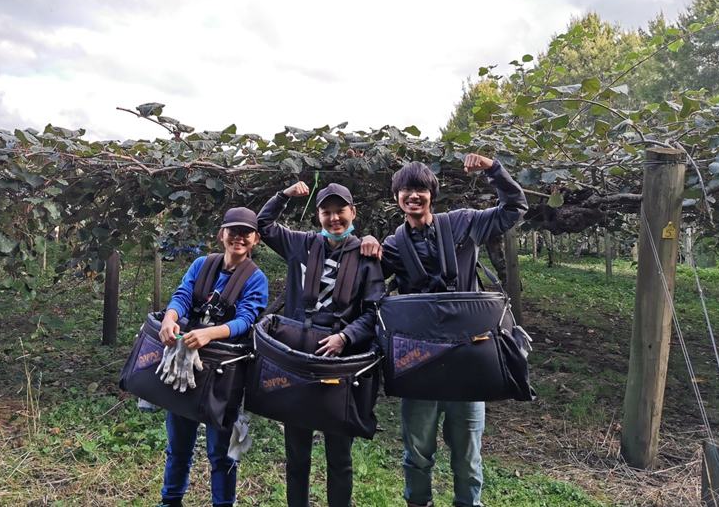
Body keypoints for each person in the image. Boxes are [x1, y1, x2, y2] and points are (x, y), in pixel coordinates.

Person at [365, 153, 527, 507]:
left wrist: (493, 169)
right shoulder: (393, 245)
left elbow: (514, 207)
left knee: (468, 456)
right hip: (418, 363)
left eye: (420, 189)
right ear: (397, 198)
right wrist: (367, 244)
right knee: (417, 454)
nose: (413, 196)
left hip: (468, 359)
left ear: (431, 195)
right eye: (406, 190)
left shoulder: (463, 223)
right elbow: (372, 290)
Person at [257, 182, 385, 507]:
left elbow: (375, 312)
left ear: (353, 213)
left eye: (339, 211)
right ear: (318, 216)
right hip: (299, 360)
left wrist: (346, 337)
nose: (333, 219)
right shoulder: (303, 245)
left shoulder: (366, 256)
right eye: (326, 212)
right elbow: (263, 226)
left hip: (340, 369)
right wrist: (283, 195)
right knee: (296, 456)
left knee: (339, 456)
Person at [156, 207, 269, 507]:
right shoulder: (201, 265)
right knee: (178, 444)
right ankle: (170, 500)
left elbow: (246, 320)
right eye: (233, 231)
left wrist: (209, 334)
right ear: (222, 234)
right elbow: (182, 296)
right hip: (186, 365)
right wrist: (170, 318)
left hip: (226, 374)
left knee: (222, 451)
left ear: (256, 239)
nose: (238, 238)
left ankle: (223, 503)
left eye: (246, 233)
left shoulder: (256, 279)